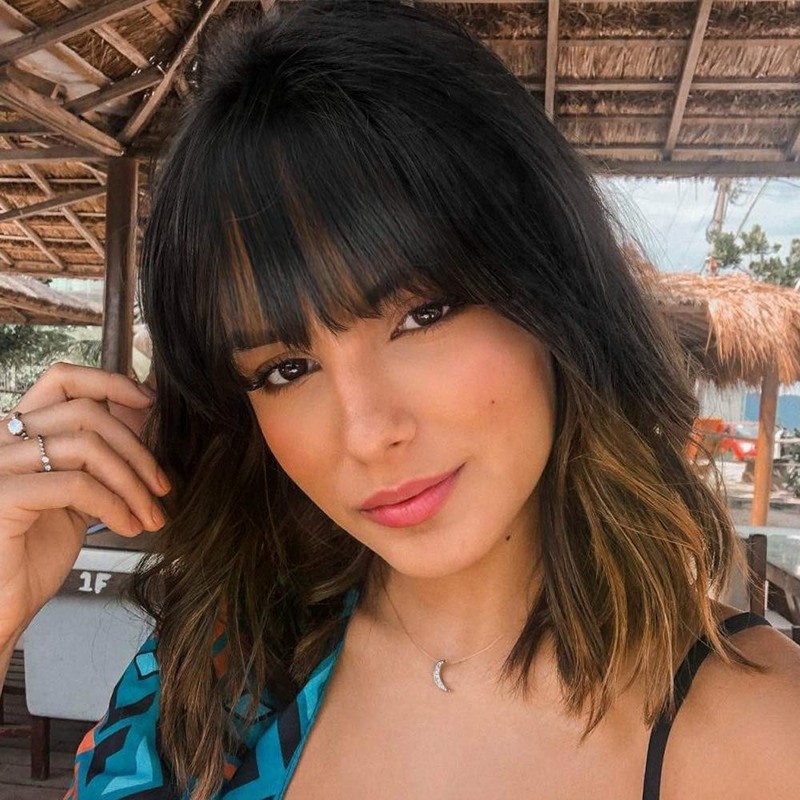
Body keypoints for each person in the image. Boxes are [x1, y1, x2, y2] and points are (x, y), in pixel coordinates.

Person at [1, 1, 799, 798]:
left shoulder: (760, 736)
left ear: (548, 283)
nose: (367, 431)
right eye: (286, 369)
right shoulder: (211, 668)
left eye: (422, 315)